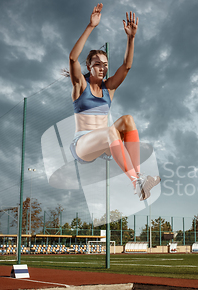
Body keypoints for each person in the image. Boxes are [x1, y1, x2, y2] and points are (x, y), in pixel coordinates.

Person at [67, 3, 159, 201]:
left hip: (104, 141)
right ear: (89, 67)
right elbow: (73, 58)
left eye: (105, 65)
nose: (102, 68)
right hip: (83, 144)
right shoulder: (80, 86)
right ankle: (137, 182)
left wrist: (131, 38)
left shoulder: (108, 89)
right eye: (97, 64)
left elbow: (126, 66)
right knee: (111, 130)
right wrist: (91, 26)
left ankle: (139, 179)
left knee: (127, 120)